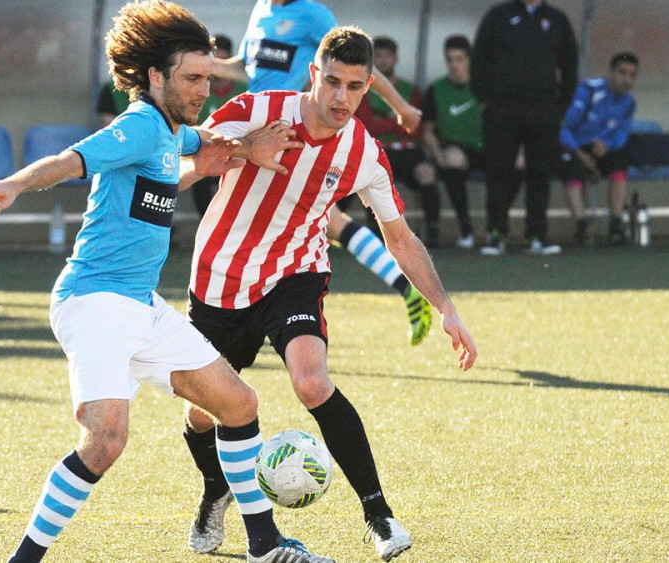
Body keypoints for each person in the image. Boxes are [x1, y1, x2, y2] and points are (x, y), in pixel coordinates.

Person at [0, 2, 331, 562]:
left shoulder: (168, 130)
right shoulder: (138, 126)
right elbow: (70, 161)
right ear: (156, 77)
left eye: (208, 76)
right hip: (95, 301)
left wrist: (243, 151)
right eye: (192, 78)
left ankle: (265, 546)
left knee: (238, 404)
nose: (203, 88)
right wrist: (12, 183)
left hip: (141, 305)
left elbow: (198, 148)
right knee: (106, 442)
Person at [180, 26, 478, 562]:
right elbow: (181, 166)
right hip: (219, 279)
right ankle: (215, 488)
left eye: (356, 87)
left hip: (294, 272)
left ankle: (378, 515)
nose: (342, 99)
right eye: (333, 82)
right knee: (202, 414)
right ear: (314, 75)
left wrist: (447, 309)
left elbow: (400, 238)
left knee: (312, 383)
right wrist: (245, 149)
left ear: (368, 88)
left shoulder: (364, 151)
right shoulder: (256, 107)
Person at [213, 0, 432, 345]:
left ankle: (250, 320)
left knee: (312, 221)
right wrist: (202, 65)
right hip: (254, 131)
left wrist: (401, 106)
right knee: (326, 220)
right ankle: (404, 287)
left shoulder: (313, 15)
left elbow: (354, 66)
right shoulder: (262, 11)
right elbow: (247, 67)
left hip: (284, 131)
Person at [471, 0, 579, 256]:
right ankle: (496, 234)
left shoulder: (557, 19)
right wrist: (486, 101)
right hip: (502, 111)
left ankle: (537, 236)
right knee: (499, 173)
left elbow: (570, 66)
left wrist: (559, 108)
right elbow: (479, 60)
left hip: (543, 111)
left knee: (540, 174)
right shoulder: (499, 15)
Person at [354, 36, 441, 247]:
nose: (383, 62)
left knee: (426, 173)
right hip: (377, 150)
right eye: (379, 57)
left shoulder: (411, 90)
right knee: (365, 175)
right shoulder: (362, 89)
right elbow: (367, 126)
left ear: (396, 59)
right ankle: (375, 231)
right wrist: (398, 121)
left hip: (407, 151)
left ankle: (433, 231)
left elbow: (416, 129)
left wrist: (384, 122)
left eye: (387, 57)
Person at [559, 51, 639, 246]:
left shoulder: (629, 103)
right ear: (611, 73)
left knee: (620, 161)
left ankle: (616, 223)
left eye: (632, 75)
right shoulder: (589, 92)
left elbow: (622, 134)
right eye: (622, 73)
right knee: (571, 166)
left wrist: (608, 146)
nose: (627, 79)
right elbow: (563, 127)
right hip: (576, 146)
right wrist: (578, 152)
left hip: (602, 148)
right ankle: (581, 225)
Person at [421, 35, 484, 249]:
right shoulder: (436, 89)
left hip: (487, 148)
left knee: (517, 161)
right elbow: (427, 130)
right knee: (452, 159)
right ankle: (466, 228)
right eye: (450, 60)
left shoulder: (485, 88)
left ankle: (499, 231)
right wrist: (437, 154)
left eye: (459, 59)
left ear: (469, 60)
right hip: (455, 149)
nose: (454, 65)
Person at [191, 34, 248, 217]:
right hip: (207, 150)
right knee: (197, 178)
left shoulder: (245, 89)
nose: (219, 70)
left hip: (240, 150)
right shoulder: (199, 90)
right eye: (215, 63)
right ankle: (206, 220)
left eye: (223, 62)